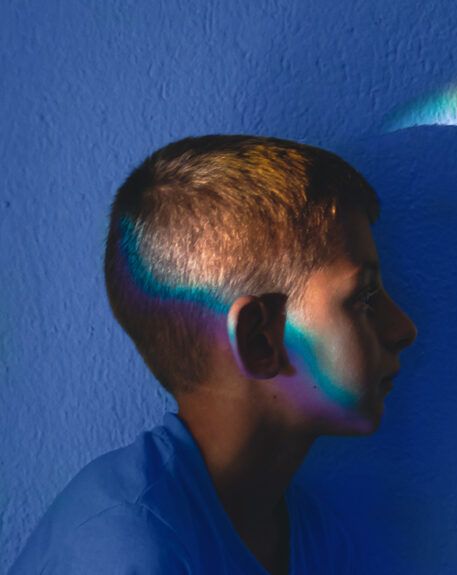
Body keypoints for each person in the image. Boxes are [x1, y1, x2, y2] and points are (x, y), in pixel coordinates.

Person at [9, 135, 418, 574]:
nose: (404, 329)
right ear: (259, 340)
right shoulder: (126, 551)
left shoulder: (315, 537)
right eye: (364, 296)